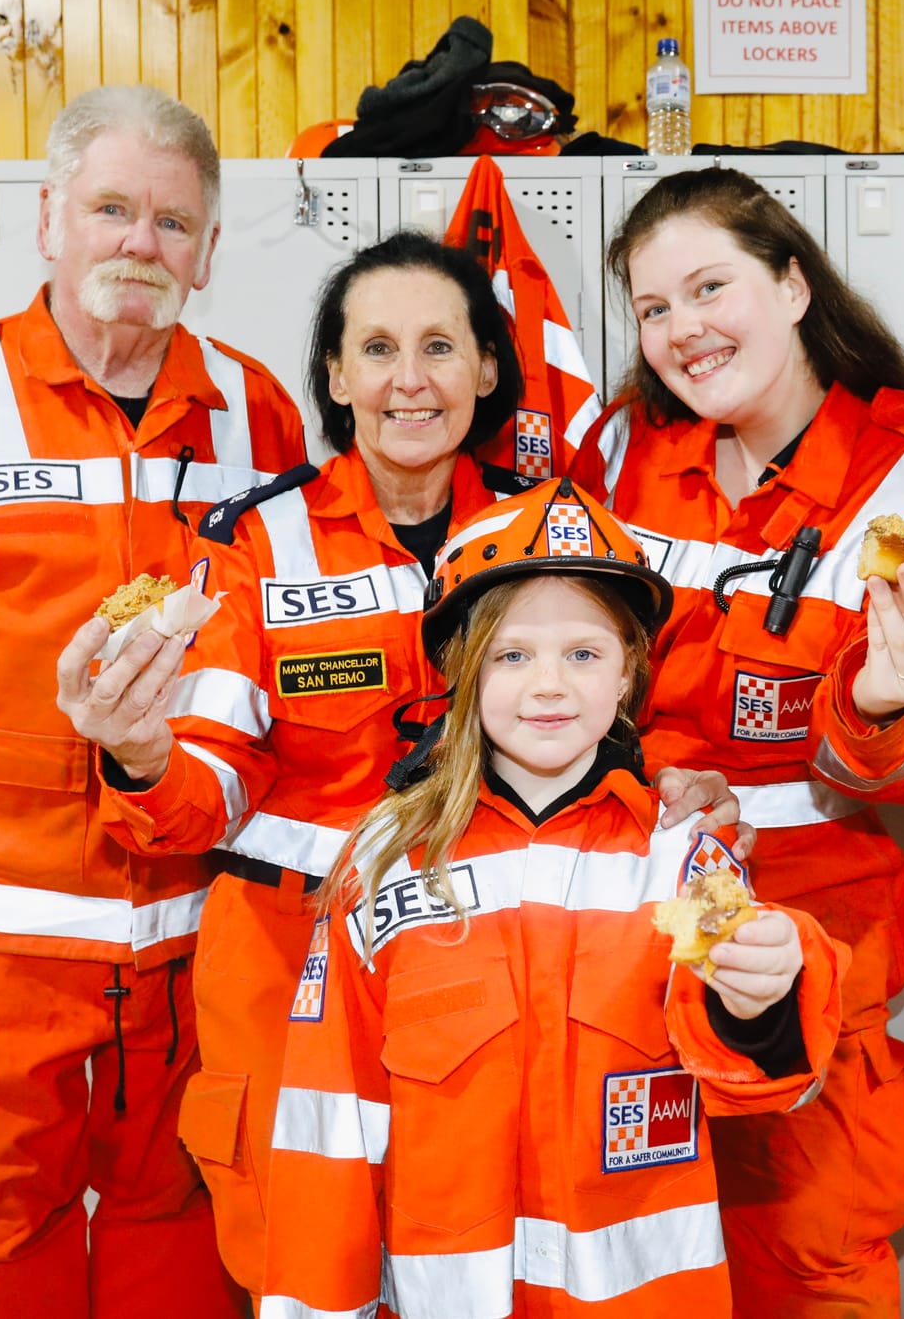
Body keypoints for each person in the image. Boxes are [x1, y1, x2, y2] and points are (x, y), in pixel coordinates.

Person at [56, 231, 745, 1296]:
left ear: (487, 368)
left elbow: (639, 709)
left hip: (509, 981)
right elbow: (201, 794)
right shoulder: (255, 546)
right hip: (295, 983)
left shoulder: (557, 526)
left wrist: (684, 776)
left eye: (439, 345)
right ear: (334, 378)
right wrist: (141, 758)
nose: (408, 380)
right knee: (310, 1274)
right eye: (375, 349)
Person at [0, 85, 304, 1317]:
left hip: (191, 944)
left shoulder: (257, 411)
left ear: (209, 249)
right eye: (112, 210)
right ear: (48, 220)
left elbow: (289, 669)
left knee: (182, 1254)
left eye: (173, 223)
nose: (141, 244)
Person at [257, 477, 846, 1315]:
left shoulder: (681, 856)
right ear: (463, 670)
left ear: (629, 674)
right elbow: (329, 1122)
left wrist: (767, 991)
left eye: (583, 653)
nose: (548, 685)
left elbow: (761, 1077)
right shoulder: (384, 865)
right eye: (512, 654)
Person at [576, 167, 904, 1314]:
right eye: (653, 309)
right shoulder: (618, 453)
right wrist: (655, 771)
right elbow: (557, 669)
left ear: (793, 283)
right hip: (620, 911)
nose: (682, 330)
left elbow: (903, 776)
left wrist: (890, 699)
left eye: (710, 286)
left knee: (810, 1259)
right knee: (624, 1263)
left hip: (813, 922)